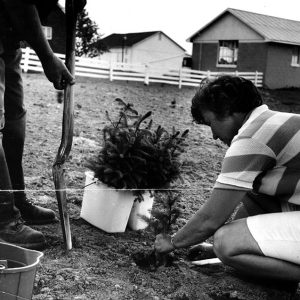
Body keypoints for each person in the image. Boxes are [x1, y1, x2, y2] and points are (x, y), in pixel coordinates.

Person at [155, 75, 300, 285]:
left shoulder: (252, 137)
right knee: (255, 192)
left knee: (226, 241)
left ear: (229, 110)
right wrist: (213, 250)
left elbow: (210, 219)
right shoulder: (274, 121)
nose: (213, 135)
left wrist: (172, 242)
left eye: (211, 122)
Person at [0, 0, 86, 249]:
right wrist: (48, 57)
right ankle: (4, 220)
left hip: (8, 38)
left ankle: (16, 201)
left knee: (14, 117)